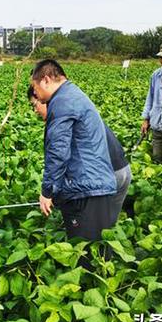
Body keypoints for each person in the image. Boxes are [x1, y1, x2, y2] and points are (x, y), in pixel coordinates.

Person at [31, 60, 117, 241]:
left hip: (86, 189)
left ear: (46, 80)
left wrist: (48, 191)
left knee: (85, 253)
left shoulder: (62, 102)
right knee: (97, 251)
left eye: (35, 87)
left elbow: (58, 151)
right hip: (93, 185)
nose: (36, 95)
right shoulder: (72, 94)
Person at [27, 85, 131, 221]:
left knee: (88, 232)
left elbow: (59, 157)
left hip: (104, 178)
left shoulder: (61, 116)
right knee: (106, 226)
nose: (35, 110)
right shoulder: (76, 108)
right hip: (121, 170)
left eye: (35, 105)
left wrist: (49, 193)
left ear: (44, 98)